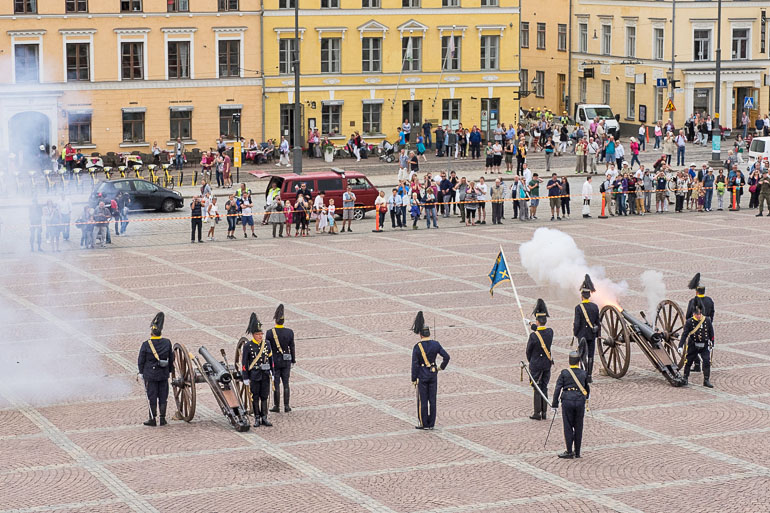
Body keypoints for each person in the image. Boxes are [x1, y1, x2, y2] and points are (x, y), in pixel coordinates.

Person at [410, 311, 450, 430]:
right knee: (432, 400)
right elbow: (446, 357)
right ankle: (431, 423)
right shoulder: (436, 344)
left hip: (422, 375)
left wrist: (413, 379)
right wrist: (440, 367)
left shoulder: (418, 347)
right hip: (433, 374)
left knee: (423, 400)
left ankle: (424, 423)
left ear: (421, 335)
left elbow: (415, 364)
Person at [551, 351, 590, 459]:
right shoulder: (583, 373)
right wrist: (586, 398)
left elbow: (558, 388)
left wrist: (554, 404)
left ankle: (569, 451)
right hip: (579, 400)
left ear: (569, 361)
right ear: (578, 362)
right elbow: (587, 389)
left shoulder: (564, 373)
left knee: (568, 426)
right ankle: (577, 452)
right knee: (578, 426)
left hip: (567, 400)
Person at [137, 312, 174, 427]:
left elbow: (141, 360)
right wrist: (169, 371)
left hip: (151, 375)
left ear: (151, 332)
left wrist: (141, 372)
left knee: (152, 396)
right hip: (163, 374)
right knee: (163, 395)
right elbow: (171, 358)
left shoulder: (146, 344)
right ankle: (162, 419)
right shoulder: (167, 342)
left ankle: (152, 419)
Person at [241, 313, 274, 427]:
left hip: (265, 374)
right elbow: (244, 363)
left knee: (264, 396)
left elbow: (271, 359)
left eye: (261, 334)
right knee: (255, 396)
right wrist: (245, 377)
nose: (260, 336)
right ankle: (257, 417)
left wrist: (272, 373)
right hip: (254, 374)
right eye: (258, 334)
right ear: (253, 335)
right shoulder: (248, 346)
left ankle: (264, 416)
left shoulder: (267, 344)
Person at [264, 304, 295, 413]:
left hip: (275, 361)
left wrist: (266, 361)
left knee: (275, 383)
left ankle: (276, 406)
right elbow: (292, 347)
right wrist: (293, 360)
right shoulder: (289, 332)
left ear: (275, 321)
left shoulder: (269, 332)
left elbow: (267, 348)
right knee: (286, 383)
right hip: (286, 360)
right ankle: (286, 406)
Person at [526, 299, 553, 420]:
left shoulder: (533, 336)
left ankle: (537, 413)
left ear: (537, 321)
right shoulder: (550, 332)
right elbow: (540, 331)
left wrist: (531, 361)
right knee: (544, 387)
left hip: (536, 364)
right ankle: (545, 412)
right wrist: (531, 325)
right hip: (546, 364)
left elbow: (528, 351)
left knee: (537, 387)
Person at [679, 298, 715, 388]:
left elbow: (711, 333)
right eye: (697, 314)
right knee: (688, 361)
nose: (699, 316)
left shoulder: (707, 320)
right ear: (694, 314)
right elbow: (684, 335)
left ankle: (706, 380)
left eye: (700, 314)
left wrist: (712, 343)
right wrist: (680, 346)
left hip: (704, 344)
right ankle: (685, 378)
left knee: (706, 361)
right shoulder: (689, 322)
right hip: (693, 344)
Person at [573, 275, 600, 383]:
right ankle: (589, 375)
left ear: (582, 295)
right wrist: (597, 334)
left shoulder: (578, 308)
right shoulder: (595, 307)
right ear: (589, 295)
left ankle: (583, 374)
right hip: (591, 334)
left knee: (582, 354)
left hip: (582, 334)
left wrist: (575, 333)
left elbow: (577, 323)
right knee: (591, 355)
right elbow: (598, 322)